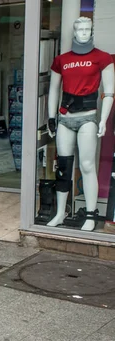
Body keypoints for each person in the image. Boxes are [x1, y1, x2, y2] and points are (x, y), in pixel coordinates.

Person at [47, 17, 114, 231]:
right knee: (63, 167)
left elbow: (109, 91)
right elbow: (54, 90)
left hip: (88, 116)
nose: (84, 32)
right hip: (65, 118)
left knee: (86, 165)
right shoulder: (62, 60)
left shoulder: (102, 58)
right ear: (74, 32)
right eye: (80, 29)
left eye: (87, 29)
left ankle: (91, 215)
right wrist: (51, 117)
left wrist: (103, 119)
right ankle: (59, 213)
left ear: (92, 30)